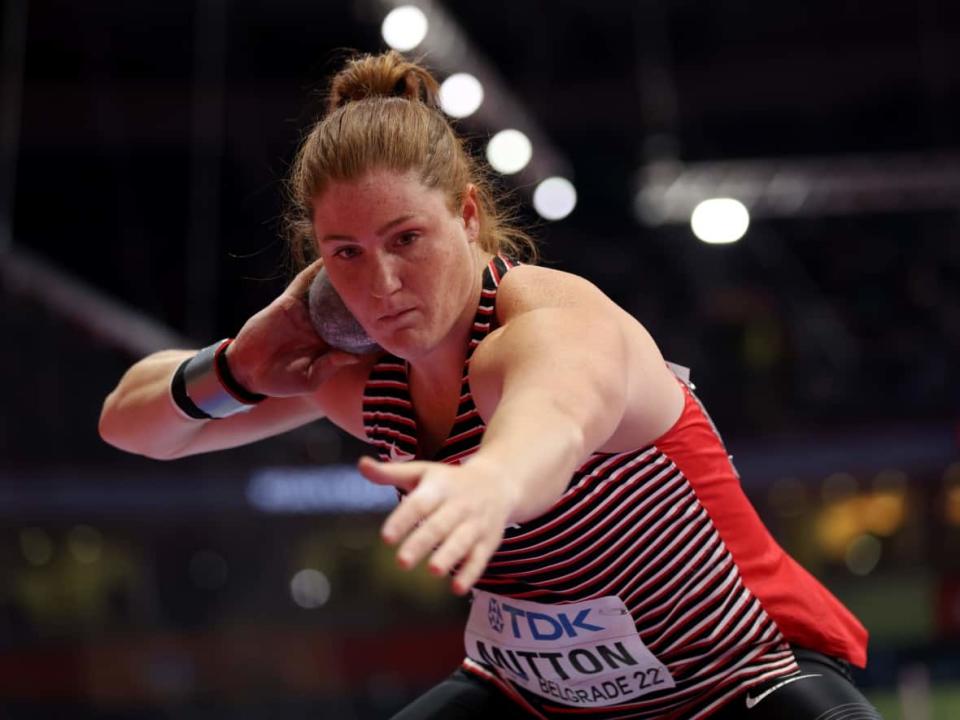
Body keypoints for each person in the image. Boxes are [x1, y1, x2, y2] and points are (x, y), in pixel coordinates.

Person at [99, 51, 881, 719]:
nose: (384, 283)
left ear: (467, 216)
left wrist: (493, 485)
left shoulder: (546, 319)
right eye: (346, 254)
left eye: (407, 238)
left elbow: (556, 416)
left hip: (739, 678)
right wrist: (235, 365)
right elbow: (132, 426)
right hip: (532, 700)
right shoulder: (360, 380)